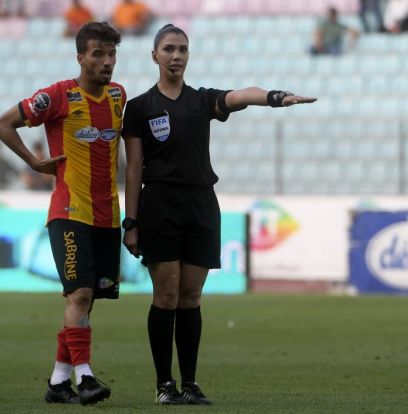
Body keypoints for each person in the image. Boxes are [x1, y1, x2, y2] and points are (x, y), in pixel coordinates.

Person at [121, 24, 316, 405]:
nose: (176, 56)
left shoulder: (201, 100)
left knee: (191, 296)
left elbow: (240, 96)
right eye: (169, 49)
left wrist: (276, 97)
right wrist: (131, 222)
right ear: (155, 56)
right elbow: (133, 169)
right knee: (166, 294)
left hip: (201, 205)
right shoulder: (140, 107)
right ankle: (164, 385)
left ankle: (189, 384)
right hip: (158, 205)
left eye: (183, 49)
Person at [0, 21, 125, 405]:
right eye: (98, 54)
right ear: (80, 56)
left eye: (111, 54)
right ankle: (86, 379)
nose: (106, 61)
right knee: (80, 295)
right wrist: (34, 162)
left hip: (107, 216)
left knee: (82, 303)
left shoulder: (119, 96)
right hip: (68, 212)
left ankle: (58, 381)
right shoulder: (57, 96)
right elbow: (3, 124)